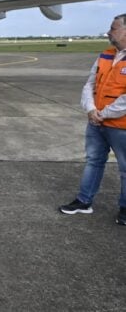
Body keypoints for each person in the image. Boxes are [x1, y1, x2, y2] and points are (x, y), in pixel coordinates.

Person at [60, 13, 126, 225]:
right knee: (94, 162)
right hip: (96, 122)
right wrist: (90, 109)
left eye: (113, 28)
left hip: (120, 126)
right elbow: (90, 84)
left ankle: (125, 209)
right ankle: (83, 201)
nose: (108, 32)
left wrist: (103, 113)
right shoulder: (105, 55)